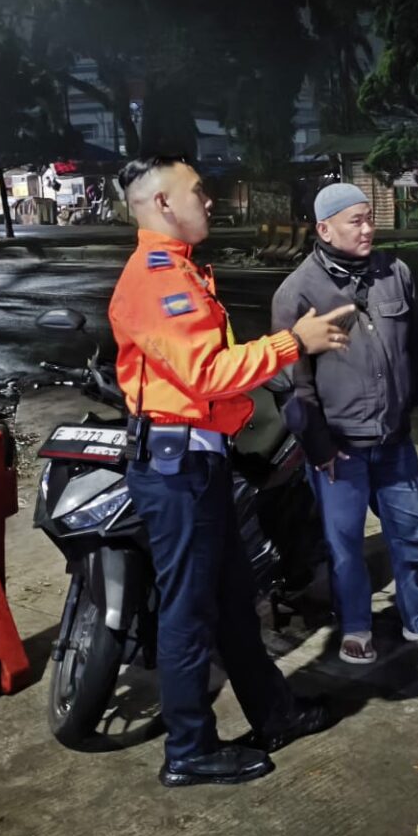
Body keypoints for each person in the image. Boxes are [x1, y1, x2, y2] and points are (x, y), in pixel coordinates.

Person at [108, 155, 355, 788]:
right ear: (162, 203)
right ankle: (187, 751)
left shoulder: (179, 270)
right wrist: (292, 343)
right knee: (190, 611)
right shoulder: (157, 276)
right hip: (177, 467)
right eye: (198, 191)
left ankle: (274, 714)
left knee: (230, 603)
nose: (209, 200)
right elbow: (204, 373)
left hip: (197, 461)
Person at [271, 183, 418, 665]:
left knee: (412, 534)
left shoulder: (395, 272)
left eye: (369, 219)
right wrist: (318, 446)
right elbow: (292, 386)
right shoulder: (297, 292)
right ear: (324, 229)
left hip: (394, 439)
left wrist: (408, 406)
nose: (367, 229)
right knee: (344, 547)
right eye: (355, 221)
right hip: (338, 447)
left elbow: (415, 346)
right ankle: (356, 625)